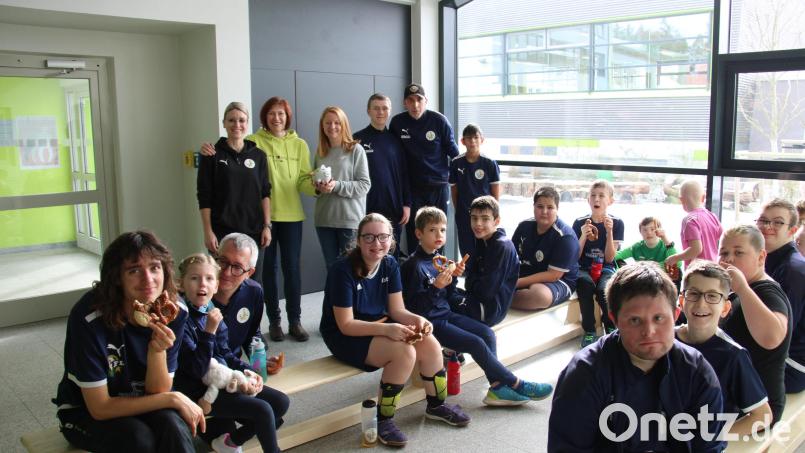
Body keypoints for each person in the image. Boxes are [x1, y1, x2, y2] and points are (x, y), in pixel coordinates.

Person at [319, 213, 470, 447]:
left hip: (381, 323)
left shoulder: (390, 264)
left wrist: (418, 319)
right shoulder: (342, 270)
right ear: (358, 240)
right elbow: (345, 325)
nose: (376, 244)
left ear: (391, 240)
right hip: (345, 335)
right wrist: (388, 330)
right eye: (368, 237)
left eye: (382, 237)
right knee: (404, 352)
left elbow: (397, 309)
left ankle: (436, 405)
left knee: (430, 343)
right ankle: (384, 420)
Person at [548, 262, 726, 453]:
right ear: (614, 320)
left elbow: (709, 447)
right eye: (635, 320)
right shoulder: (584, 374)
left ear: (675, 315)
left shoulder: (696, 371)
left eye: (659, 318)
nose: (649, 332)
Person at [53, 231, 205, 453]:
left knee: (174, 426)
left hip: (144, 400)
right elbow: (100, 408)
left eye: (155, 267)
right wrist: (173, 398)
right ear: (117, 277)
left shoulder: (174, 312)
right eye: (134, 270)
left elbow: (158, 390)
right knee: (139, 439)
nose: (148, 280)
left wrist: (157, 351)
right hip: (84, 411)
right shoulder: (89, 318)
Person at [402, 206, 553, 406]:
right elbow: (415, 308)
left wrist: (452, 278)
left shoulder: (438, 260)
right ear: (418, 233)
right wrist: (436, 286)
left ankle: (497, 387)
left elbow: (446, 296)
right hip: (430, 323)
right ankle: (515, 383)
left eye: (443, 230)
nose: (439, 234)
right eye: (432, 230)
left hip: (445, 314)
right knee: (476, 343)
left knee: (488, 334)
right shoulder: (413, 265)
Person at [202, 97, 315, 342]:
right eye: (271, 114)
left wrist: (316, 187)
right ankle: (262, 323)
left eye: (281, 114)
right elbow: (207, 194)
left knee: (277, 274)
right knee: (245, 276)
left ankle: (286, 322)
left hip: (276, 221)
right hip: (243, 225)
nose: (277, 118)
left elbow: (285, 185)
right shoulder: (240, 147)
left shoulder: (282, 148)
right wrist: (208, 230)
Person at [175, 253, 289, 453]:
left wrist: (248, 371)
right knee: (263, 412)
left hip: (223, 380)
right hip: (197, 391)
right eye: (194, 278)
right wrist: (209, 331)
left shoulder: (211, 309)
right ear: (181, 284)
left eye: (209, 278)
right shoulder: (180, 319)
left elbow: (226, 353)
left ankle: (231, 441)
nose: (202, 284)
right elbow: (196, 370)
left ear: (216, 285)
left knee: (280, 403)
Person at [675, 260, 772, 435]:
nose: (701, 304)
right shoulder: (666, 340)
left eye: (712, 296)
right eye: (694, 294)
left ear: (726, 307)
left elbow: (762, 415)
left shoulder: (733, 355)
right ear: (681, 301)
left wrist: (714, 436)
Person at [720, 225, 792, 424]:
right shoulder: (742, 290)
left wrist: (742, 288)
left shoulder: (766, 291)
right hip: (741, 398)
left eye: (738, 252)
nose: (729, 259)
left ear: (761, 257)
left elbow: (772, 338)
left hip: (758, 408)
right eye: (724, 253)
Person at [197, 102, 272, 286]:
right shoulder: (211, 155)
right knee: (223, 281)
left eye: (241, 120)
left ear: (247, 123)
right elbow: (204, 195)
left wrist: (267, 226)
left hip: (253, 230)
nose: (236, 125)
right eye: (231, 120)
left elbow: (265, 192)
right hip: (222, 230)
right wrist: (208, 231)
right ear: (224, 123)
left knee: (253, 282)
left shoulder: (259, 155)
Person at [389, 83, 459, 255]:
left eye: (419, 100)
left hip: (438, 187)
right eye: (410, 100)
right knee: (416, 232)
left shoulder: (439, 121)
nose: (415, 105)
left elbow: (455, 155)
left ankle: (439, 274)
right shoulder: (398, 123)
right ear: (405, 103)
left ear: (426, 101)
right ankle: (417, 275)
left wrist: (459, 183)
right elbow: (393, 156)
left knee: (438, 232)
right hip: (412, 189)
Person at [353, 93, 411, 258]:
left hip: (394, 208)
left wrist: (407, 203)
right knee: (367, 255)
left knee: (392, 256)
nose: (380, 112)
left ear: (390, 111)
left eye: (384, 108)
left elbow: (404, 174)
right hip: (366, 207)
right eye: (376, 108)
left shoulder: (396, 140)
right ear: (368, 111)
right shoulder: (357, 139)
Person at [313, 106, 371, 270]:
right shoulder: (320, 152)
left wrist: (336, 185)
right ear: (322, 126)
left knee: (352, 270)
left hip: (349, 221)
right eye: (328, 123)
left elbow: (364, 185)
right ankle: (333, 297)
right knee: (332, 269)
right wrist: (318, 188)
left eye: (337, 122)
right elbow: (315, 187)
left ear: (344, 124)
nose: (332, 127)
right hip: (324, 220)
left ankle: (350, 297)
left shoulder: (355, 150)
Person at [756, 199, 805, 393]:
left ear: (792, 230)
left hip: (791, 366)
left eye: (778, 222)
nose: (768, 227)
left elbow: (779, 335)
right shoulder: (770, 260)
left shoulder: (793, 270)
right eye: (763, 220)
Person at [573, 179, 624, 346]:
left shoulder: (616, 223)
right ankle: (589, 330)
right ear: (588, 200)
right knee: (585, 285)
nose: (596, 199)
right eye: (593, 195)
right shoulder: (580, 222)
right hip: (583, 267)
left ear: (610, 201)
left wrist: (609, 232)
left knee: (605, 289)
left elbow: (610, 258)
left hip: (606, 267)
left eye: (601, 196)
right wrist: (582, 236)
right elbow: (575, 256)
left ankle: (609, 326)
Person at [453, 196, 519, 326]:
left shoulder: (501, 246)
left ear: (497, 221)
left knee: (439, 301)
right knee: (441, 292)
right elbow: (472, 278)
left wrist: (471, 280)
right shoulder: (483, 240)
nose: (478, 223)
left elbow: (485, 293)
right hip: (479, 301)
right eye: (474, 218)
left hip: (488, 311)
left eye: (485, 219)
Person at [511, 187, 579, 311]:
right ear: (533, 207)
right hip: (528, 272)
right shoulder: (524, 226)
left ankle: (500, 300)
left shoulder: (565, 236)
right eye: (540, 206)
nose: (544, 211)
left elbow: (554, 275)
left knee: (540, 296)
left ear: (557, 209)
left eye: (550, 207)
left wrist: (514, 283)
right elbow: (510, 258)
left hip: (559, 280)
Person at [449, 124, 500, 257]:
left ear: (482, 140)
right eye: (468, 138)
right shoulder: (456, 163)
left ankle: (483, 275)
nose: (472, 141)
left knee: (485, 246)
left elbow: (495, 192)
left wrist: (494, 213)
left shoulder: (489, 163)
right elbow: (454, 191)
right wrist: (459, 210)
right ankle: (469, 275)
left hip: (485, 214)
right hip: (464, 213)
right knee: (466, 247)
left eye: (476, 138)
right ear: (462, 141)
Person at [212, 233, 266, 358]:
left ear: (250, 273)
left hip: (234, 366)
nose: (226, 272)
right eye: (223, 261)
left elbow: (252, 334)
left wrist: (260, 362)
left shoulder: (254, 292)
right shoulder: (198, 293)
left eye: (237, 267)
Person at [666, 179, 723, 268]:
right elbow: (721, 235)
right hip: (714, 268)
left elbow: (696, 249)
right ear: (703, 198)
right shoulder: (712, 216)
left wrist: (676, 258)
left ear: (681, 200)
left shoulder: (690, 221)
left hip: (697, 271)